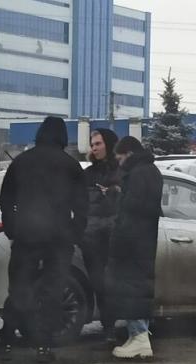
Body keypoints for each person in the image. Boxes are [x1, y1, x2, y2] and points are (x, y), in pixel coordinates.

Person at [0, 116, 88, 364]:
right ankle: (43, 346)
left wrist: (12, 228)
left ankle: (6, 340)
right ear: (63, 137)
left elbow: (6, 199)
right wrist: (74, 233)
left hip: (26, 235)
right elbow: (82, 206)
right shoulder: (71, 165)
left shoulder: (22, 162)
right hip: (59, 238)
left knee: (19, 287)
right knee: (52, 291)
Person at [106, 136, 163, 359]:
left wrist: (118, 241)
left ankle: (139, 338)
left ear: (128, 153)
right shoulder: (151, 171)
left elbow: (131, 211)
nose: (119, 163)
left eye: (120, 158)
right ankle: (137, 336)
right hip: (143, 242)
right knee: (138, 288)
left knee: (132, 289)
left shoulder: (138, 174)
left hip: (132, 243)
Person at [80, 128, 121, 344]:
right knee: (99, 284)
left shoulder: (122, 171)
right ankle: (108, 327)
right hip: (91, 239)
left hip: (115, 238)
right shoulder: (88, 174)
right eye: (92, 144)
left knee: (113, 283)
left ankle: (115, 325)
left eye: (98, 143)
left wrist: (113, 192)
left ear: (109, 145)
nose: (94, 148)